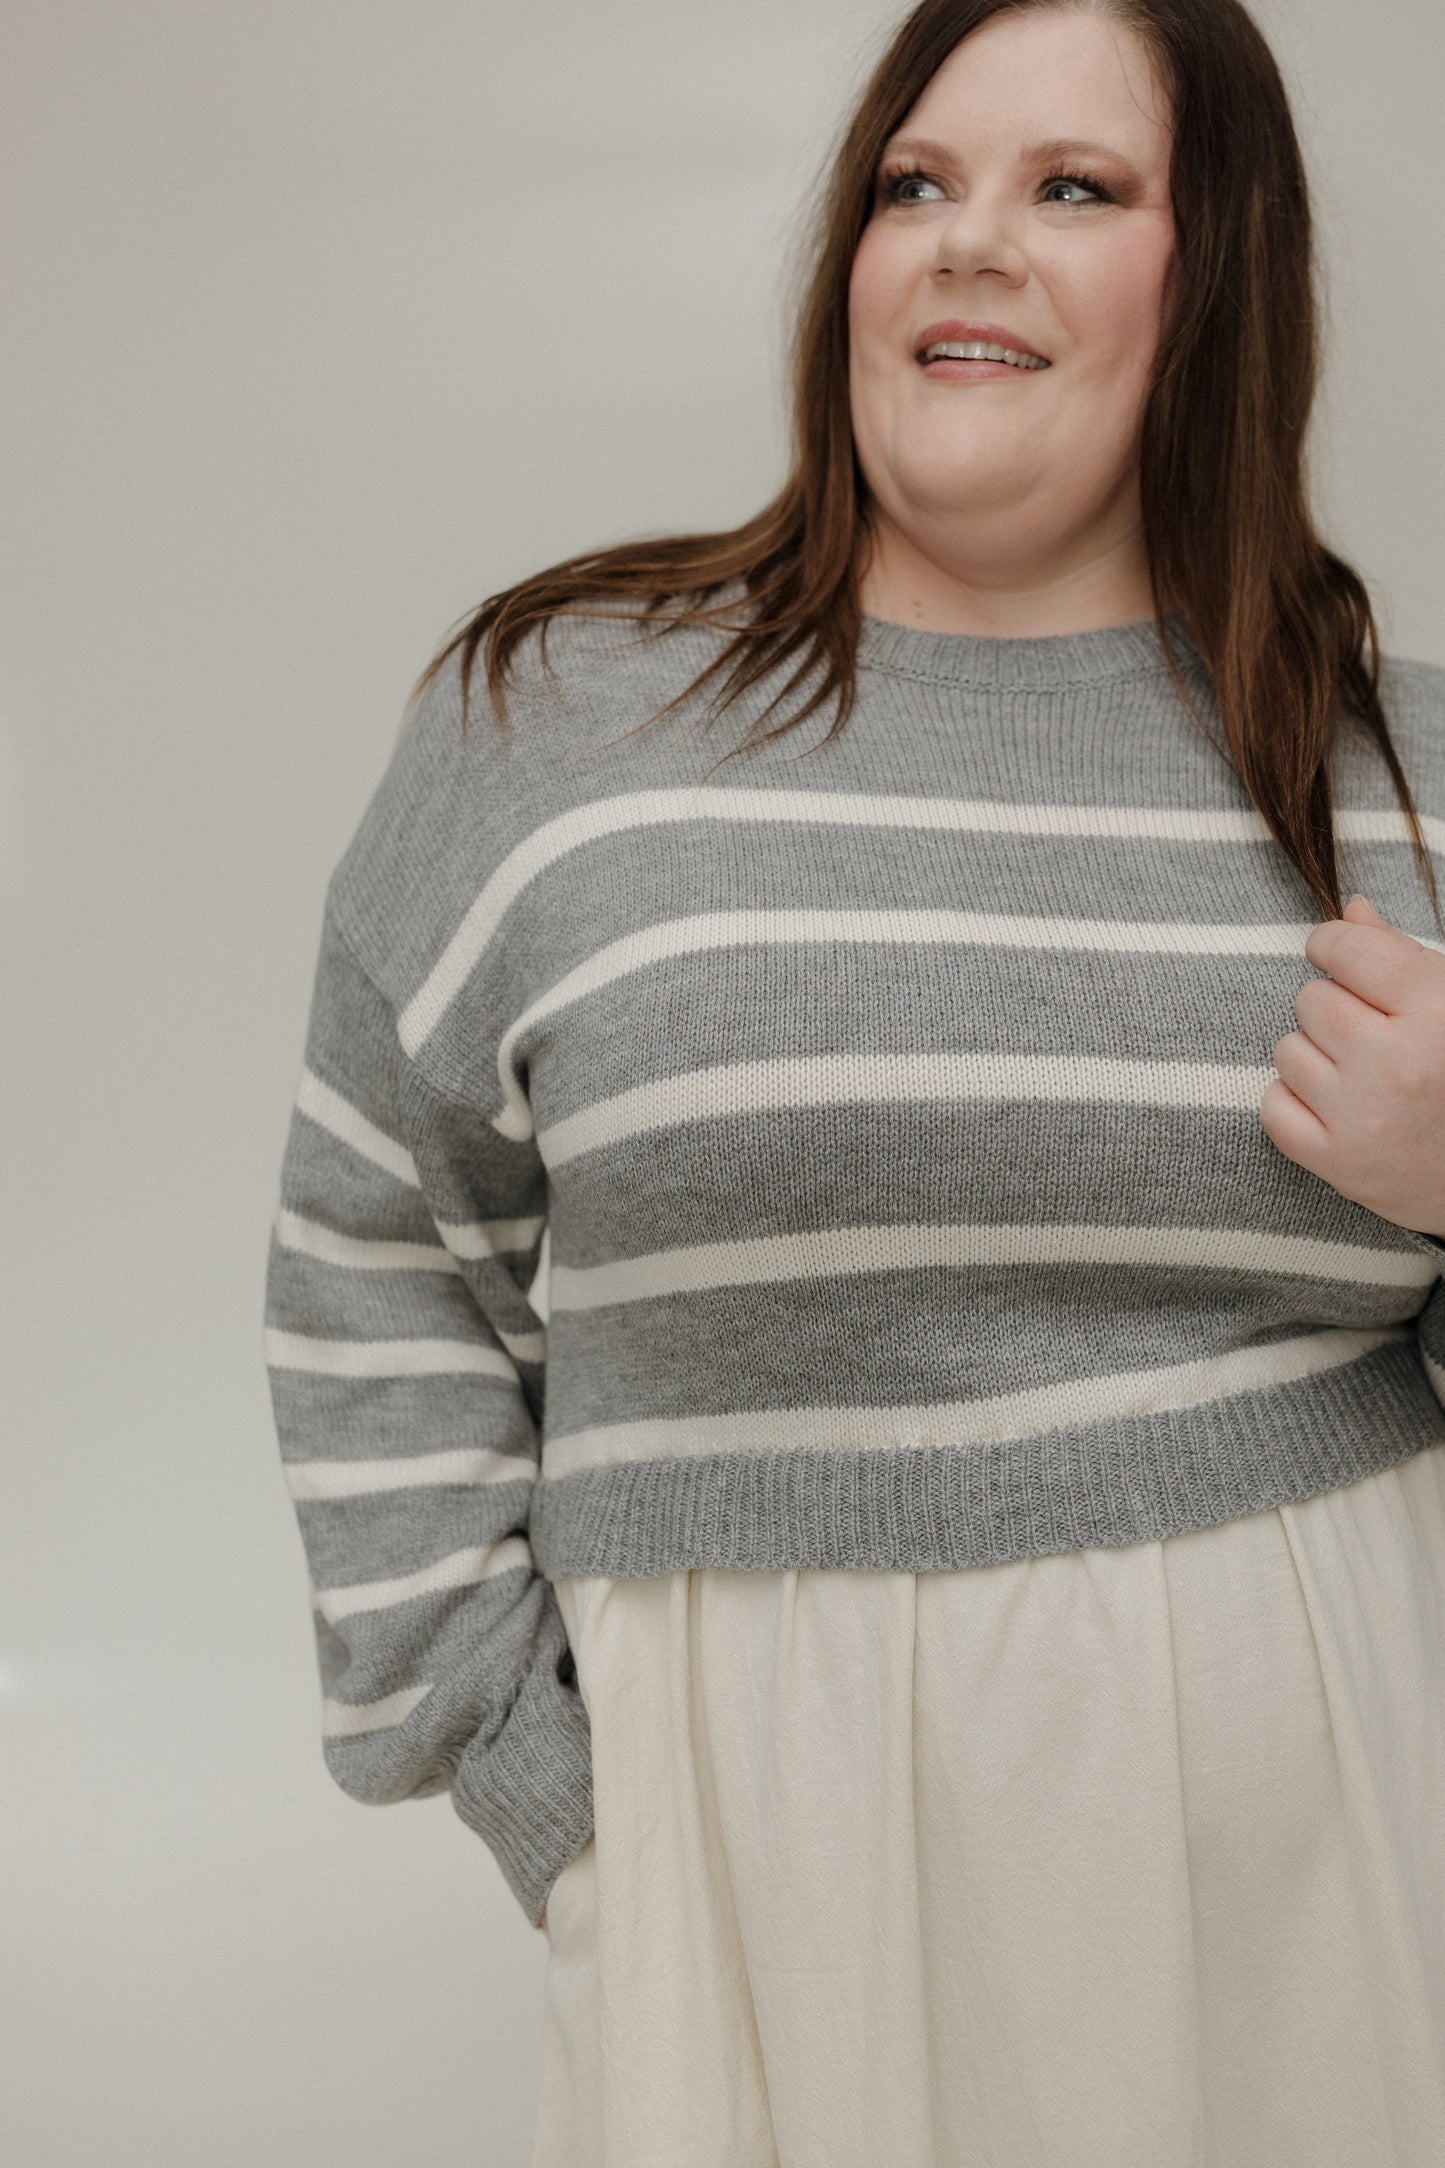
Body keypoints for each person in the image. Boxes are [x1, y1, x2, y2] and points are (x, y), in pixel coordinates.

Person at [263, 0, 1445, 2159]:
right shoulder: (557, 727)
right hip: (744, 1866)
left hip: (1330, 1858)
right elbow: (367, 1236)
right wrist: (529, 1781)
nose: (969, 240)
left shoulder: (1406, 786)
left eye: (1074, 188)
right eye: (920, 182)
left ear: (1224, 280)